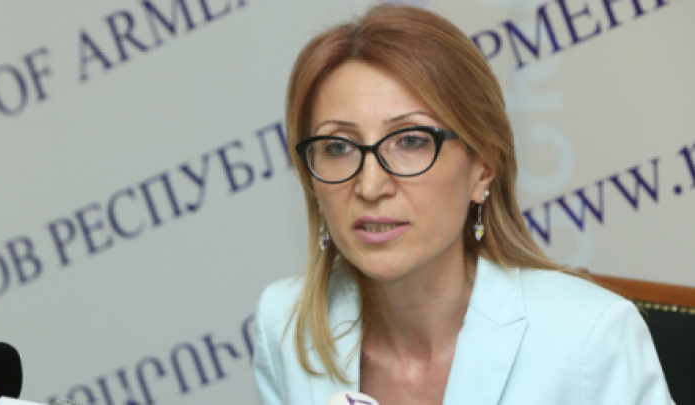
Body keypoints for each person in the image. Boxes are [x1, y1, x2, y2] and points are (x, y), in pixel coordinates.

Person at [252, 4, 674, 405]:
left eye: (411, 141)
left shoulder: (591, 337)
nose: (370, 185)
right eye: (338, 147)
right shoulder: (284, 323)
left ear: (482, 170)